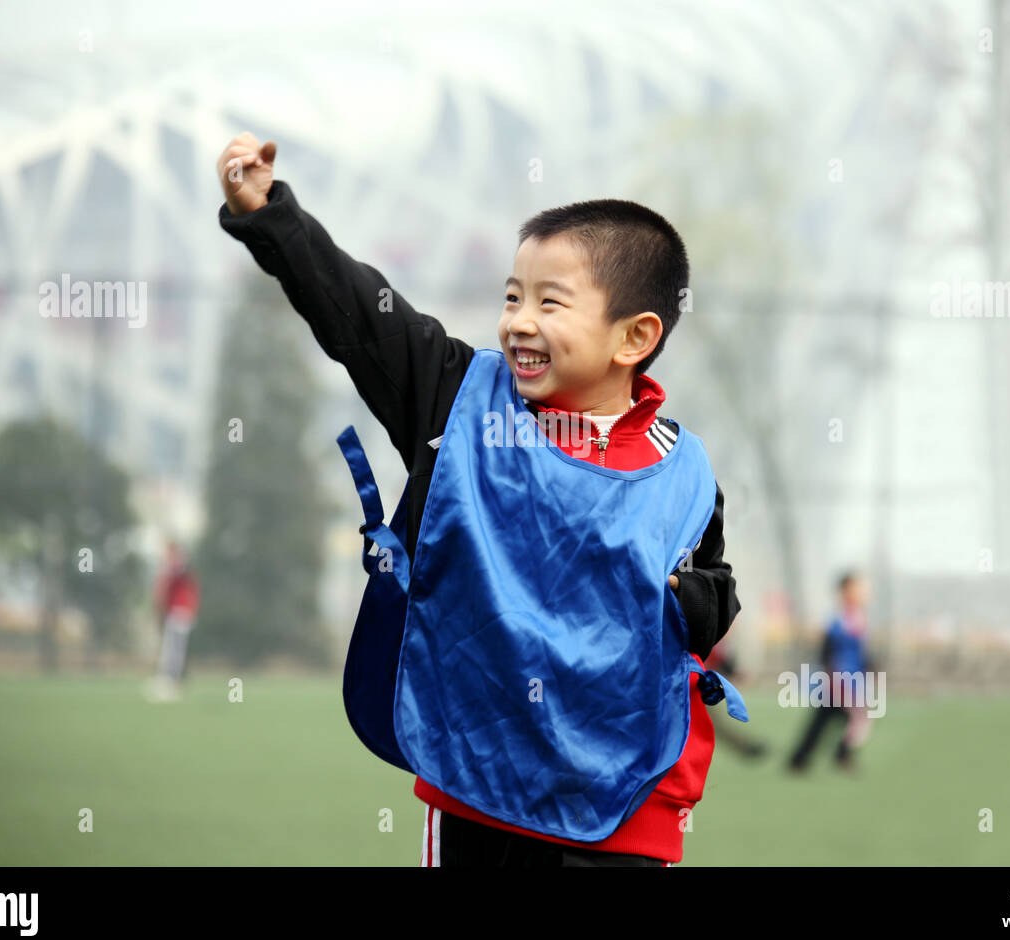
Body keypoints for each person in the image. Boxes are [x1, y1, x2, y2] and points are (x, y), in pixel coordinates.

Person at [217, 132, 745, 867]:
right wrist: (273, 215)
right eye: (512, 296)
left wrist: (698, 602)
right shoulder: (456, 402)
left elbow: (711, 587)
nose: (518, 321)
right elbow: (357, 315)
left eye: (549, 302)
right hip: (480, 796)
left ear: (635, 337)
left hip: (629, 813)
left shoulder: (681, 469)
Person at [788, 571, 873, 772]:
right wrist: (830, 674)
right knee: (860, 717)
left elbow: (861, 652)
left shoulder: (857, 617)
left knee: (826, 717)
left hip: (852, 678)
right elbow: (827, 649)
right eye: (857, 588)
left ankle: (800, 759)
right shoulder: (839, 618)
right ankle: (841, 754)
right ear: (845, 591)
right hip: (839, 677)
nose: (862, 592)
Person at [147, 542, 200, 702]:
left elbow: (164, 586)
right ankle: (169, 681)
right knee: (172, 649)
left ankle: (171, 683)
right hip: (176, 612)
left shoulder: (179, 567)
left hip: (180, 612)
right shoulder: (178, 568)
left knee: (174, 650)